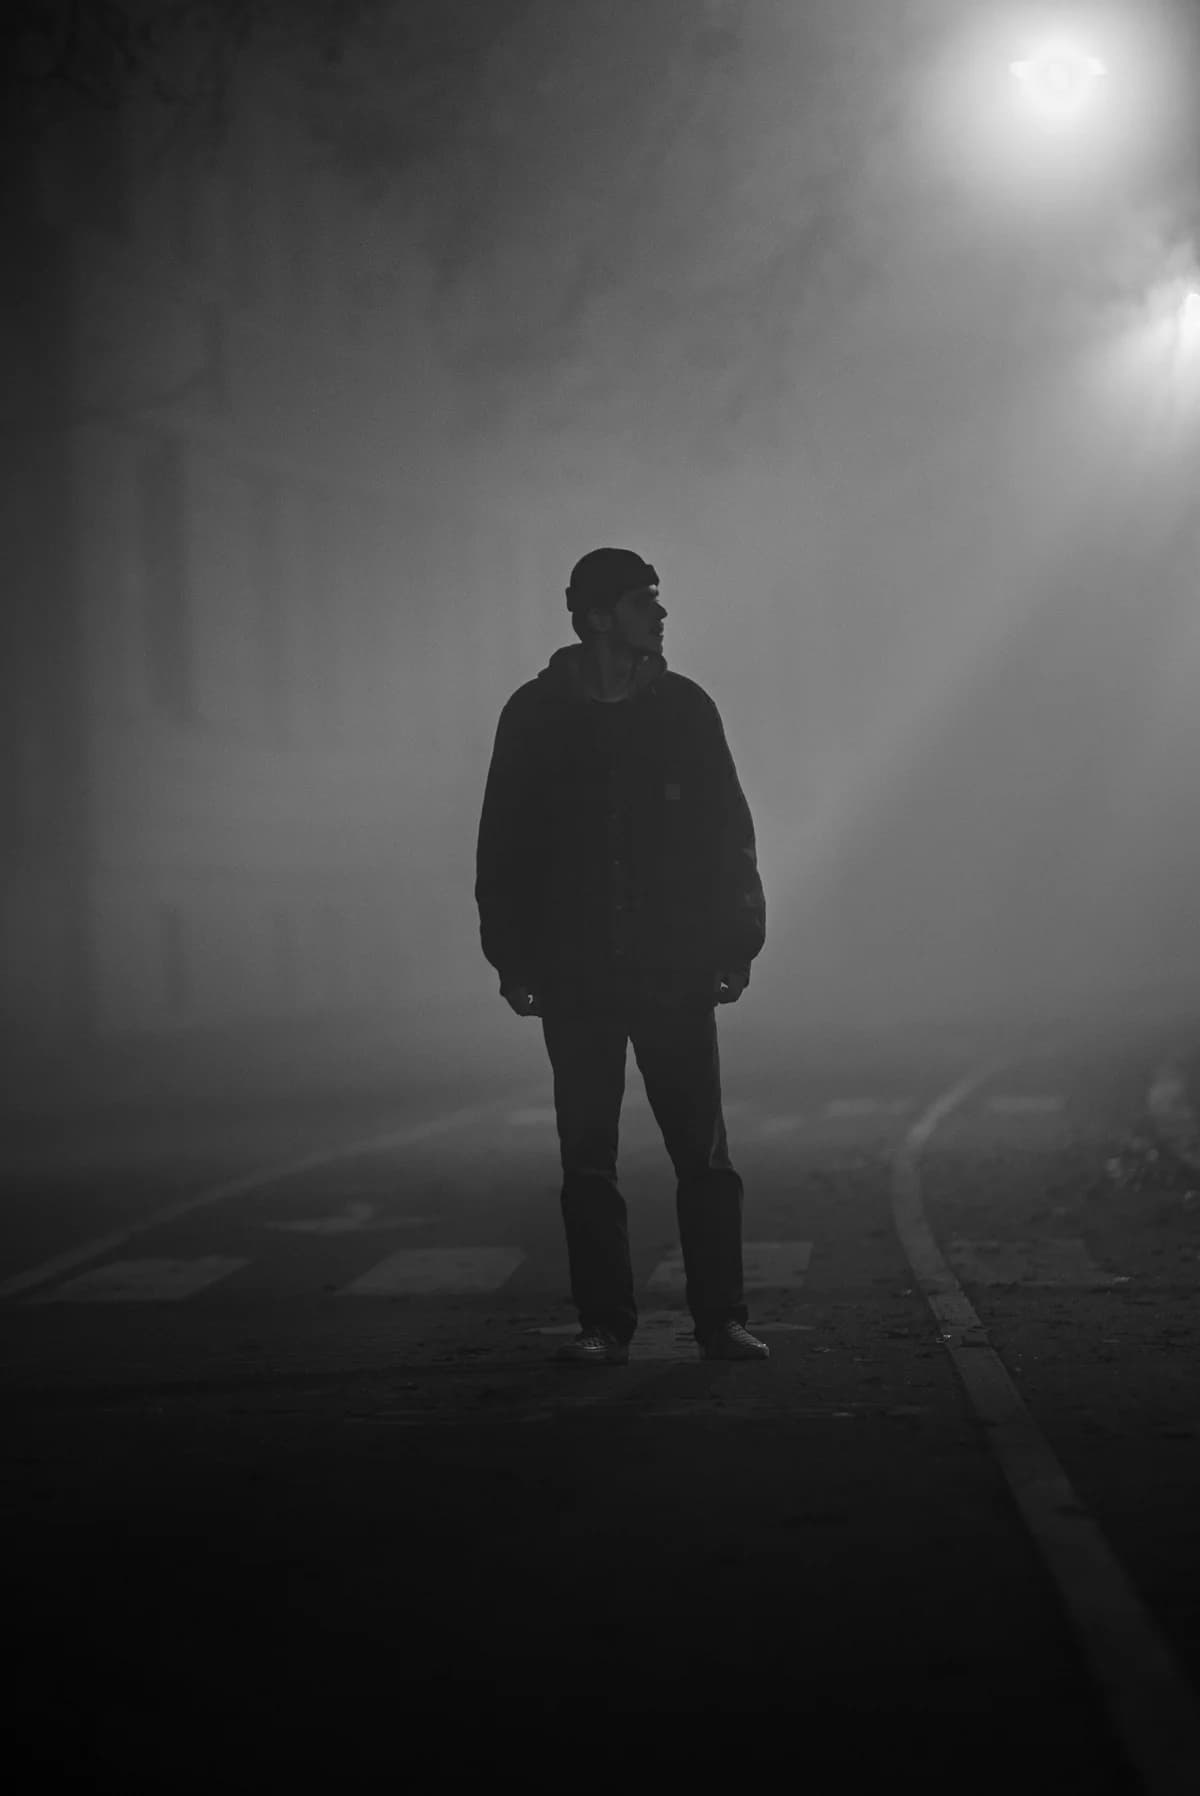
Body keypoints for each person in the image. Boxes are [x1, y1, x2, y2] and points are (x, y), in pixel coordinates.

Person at [474, 547, 769, 1365]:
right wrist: (512, 958)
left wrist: (738, 939)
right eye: (645, 601)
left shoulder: (685, 709)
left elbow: (728, 831)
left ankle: (720, 1319)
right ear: (600, 617)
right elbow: (504, 843)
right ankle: (604, 1324)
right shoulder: (534, 715)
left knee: (702, 1157)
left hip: (674, 967)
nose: (661, 615)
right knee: (587, 1160)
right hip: (577, 973)